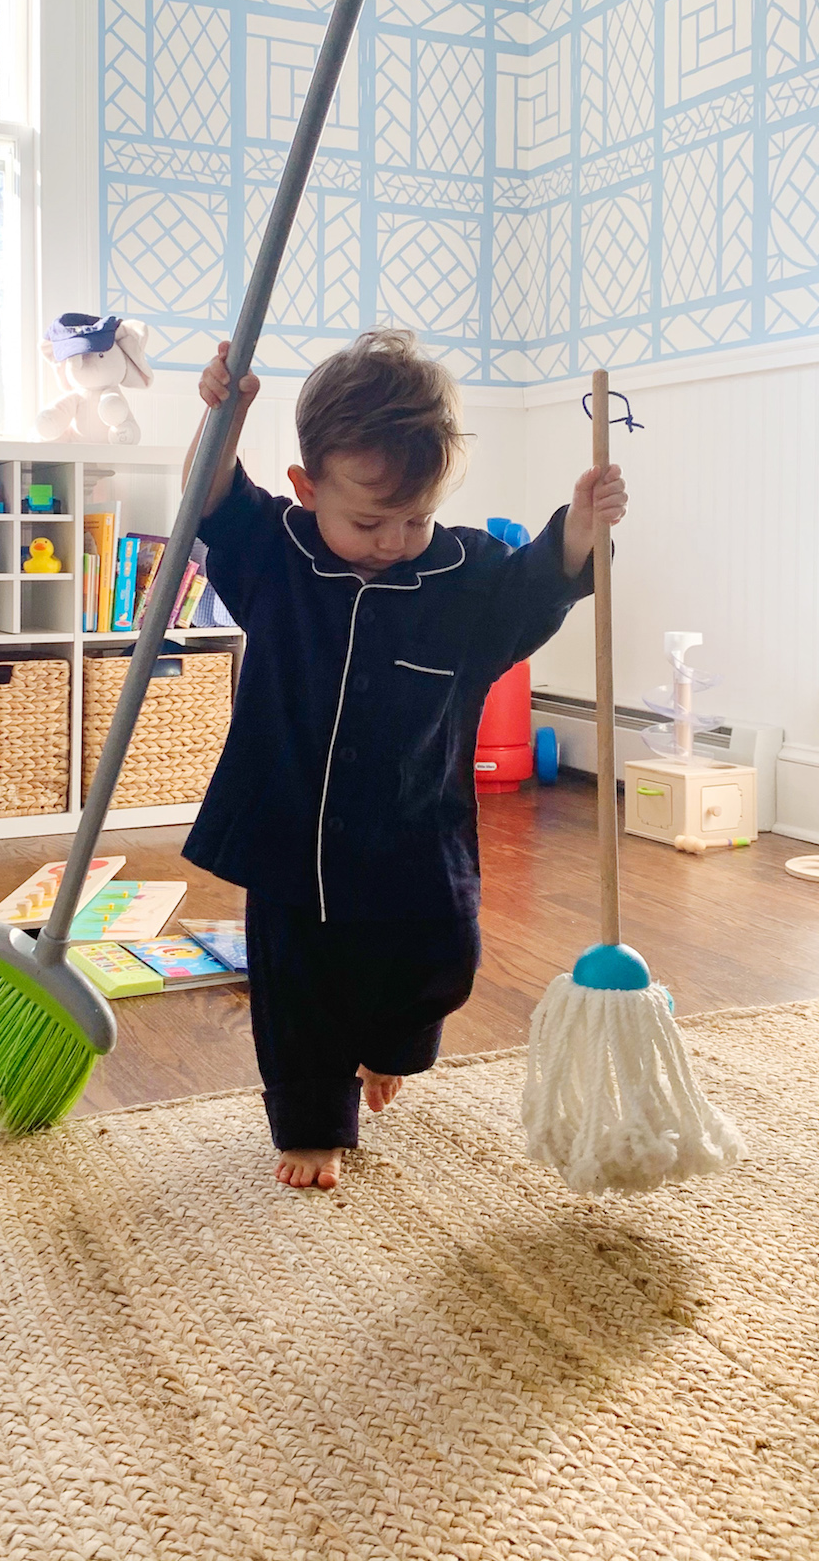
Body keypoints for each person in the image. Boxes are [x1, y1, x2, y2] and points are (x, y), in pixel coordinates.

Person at [181, 328, 628, 1190]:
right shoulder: (276, 553)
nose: (393, 540)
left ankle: (391, 1044)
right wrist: (225, 412)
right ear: (307, 489)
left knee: (440, 959)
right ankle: (314, 1121)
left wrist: (579, 527)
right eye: (367, 521)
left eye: (416, 518)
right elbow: (211, 497)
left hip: (417, 827)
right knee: (298, 988)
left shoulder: (466, 574)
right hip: (292, 828)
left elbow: (536, 587)